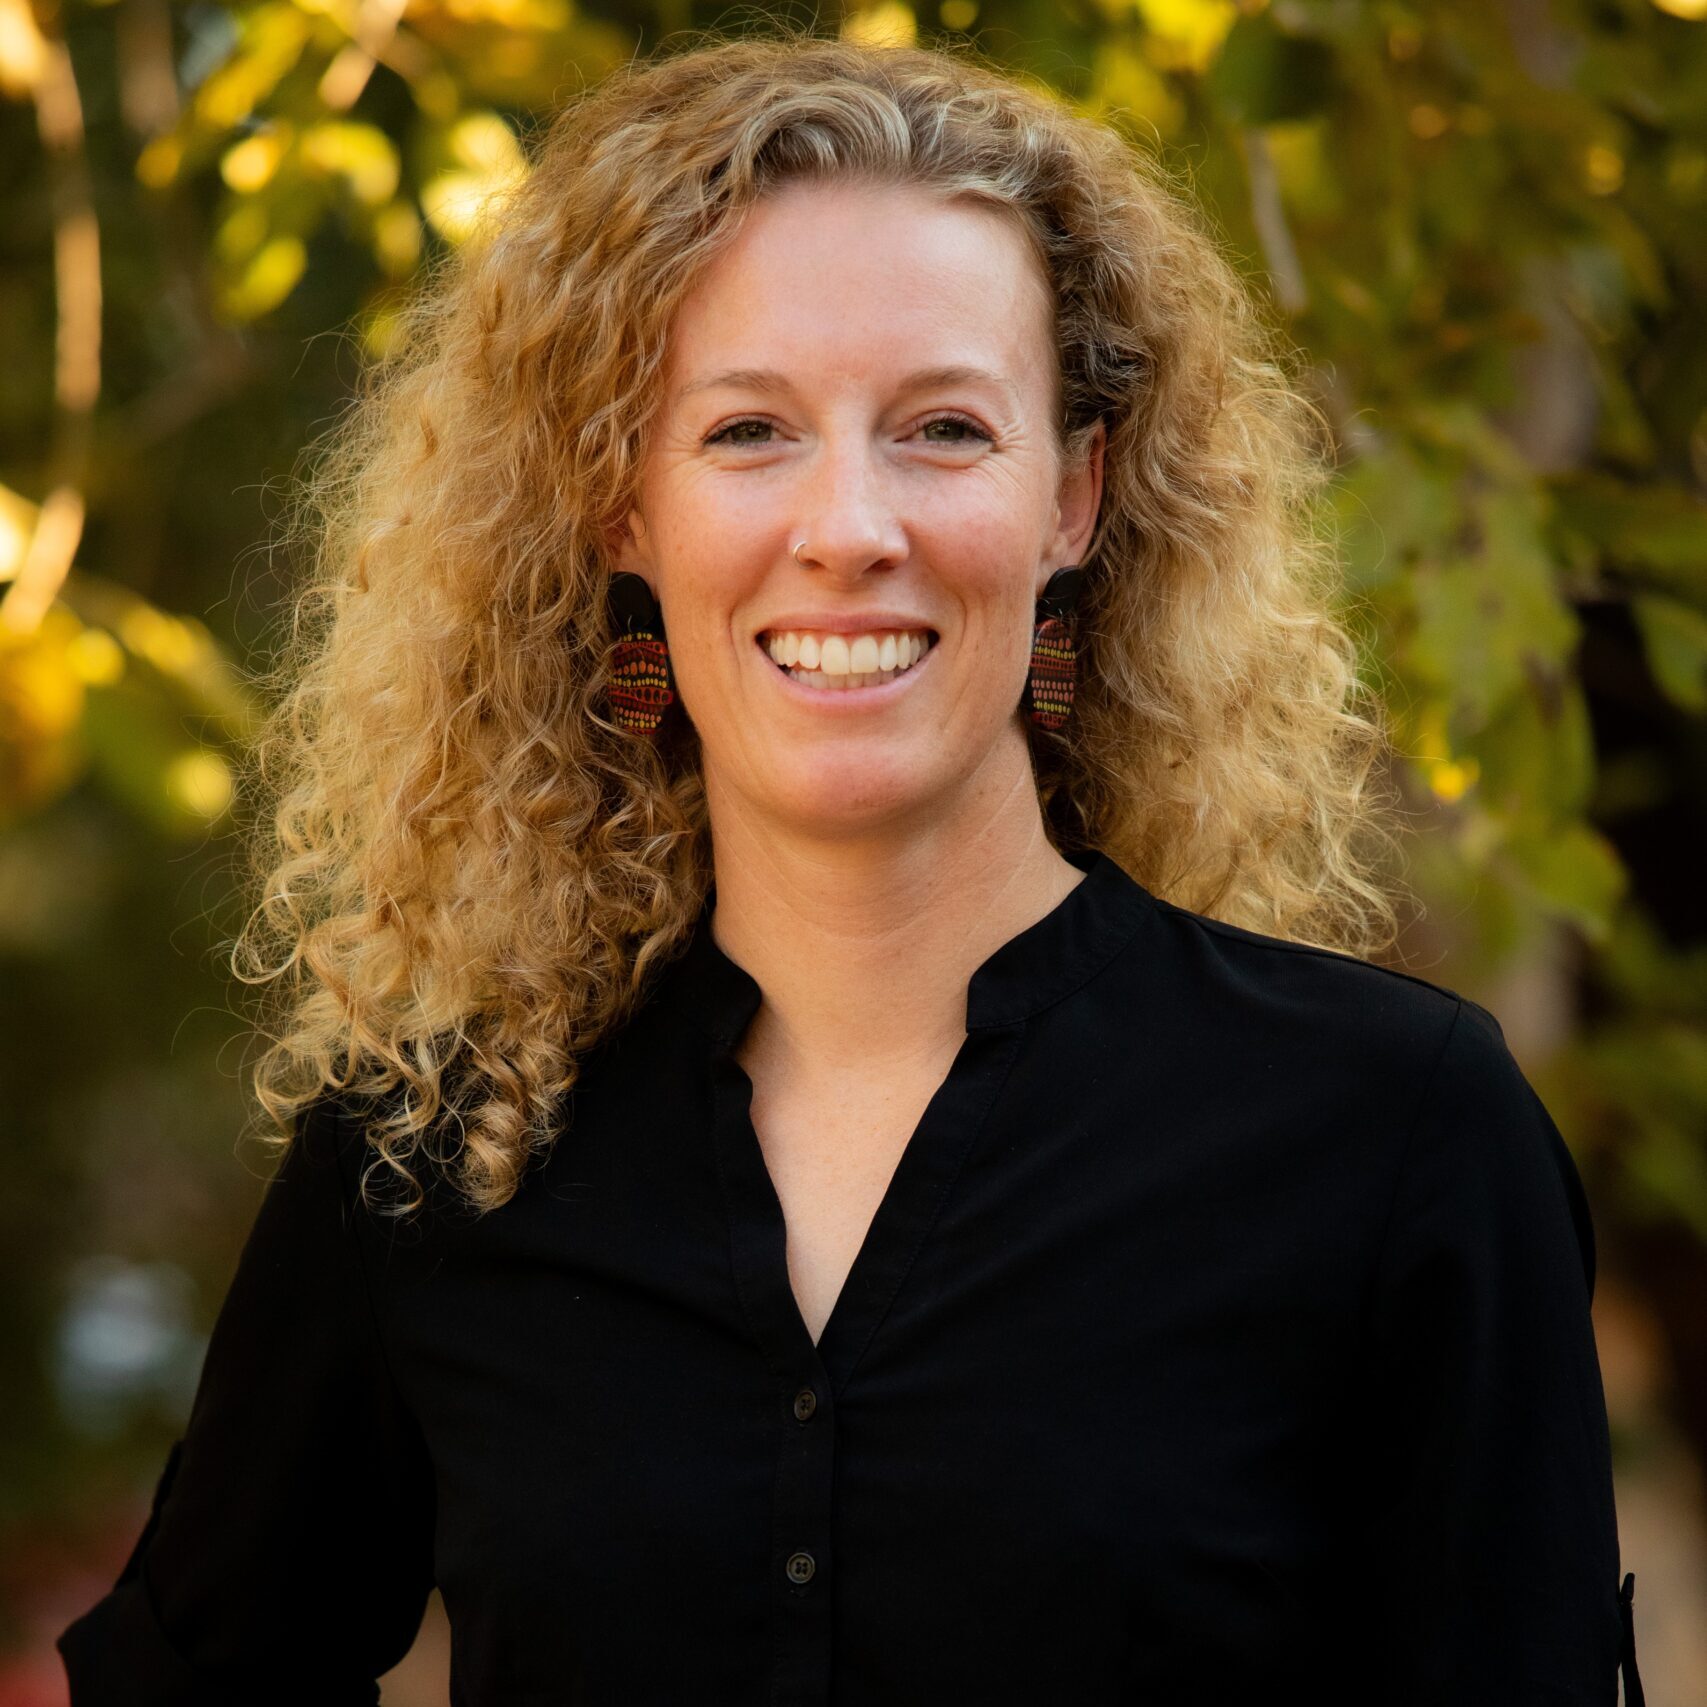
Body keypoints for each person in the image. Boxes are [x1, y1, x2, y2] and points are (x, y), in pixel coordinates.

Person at [58, 28, 1643, 1706]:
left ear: (1074, 498)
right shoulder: (437, 1156)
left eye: (944, 429)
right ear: (620, 507)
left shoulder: (1395, 1136)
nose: (849, 527)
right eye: (748, 432)